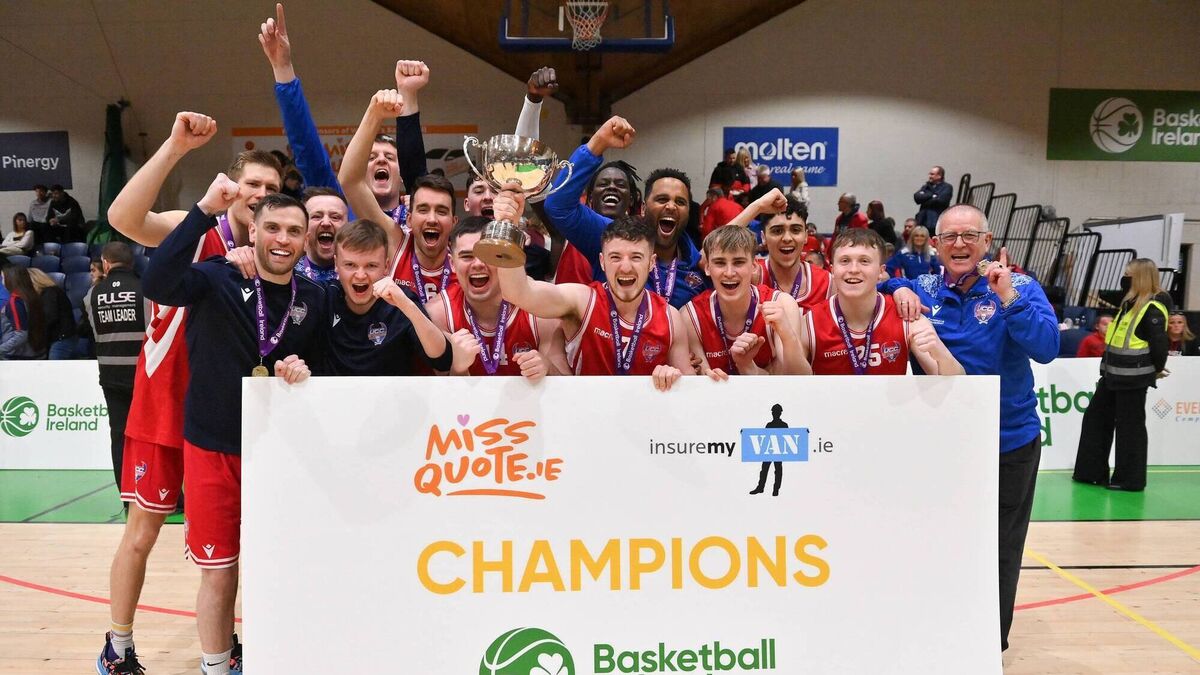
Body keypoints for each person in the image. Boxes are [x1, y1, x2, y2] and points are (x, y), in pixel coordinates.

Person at [99, 112, 280, 674]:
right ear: (233, 188)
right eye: (253, 184)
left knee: (228, 541)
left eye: (272, 188)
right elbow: (121, 218)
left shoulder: (277, 250)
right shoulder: (196, 229)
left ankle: (223, 645)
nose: (261, 194)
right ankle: (118, 644)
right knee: (142, 531)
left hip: (222, 412)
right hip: (165, 401)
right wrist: (175, 147)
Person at [143, 184, 324, 675]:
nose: (282, 239)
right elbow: (156, 282)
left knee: (279, 569)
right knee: (219, 573)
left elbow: (325, 370)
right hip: (213, 448)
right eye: (272, 228)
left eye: (293, 231)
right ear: (253, 231)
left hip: (279, 456)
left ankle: (279, 660)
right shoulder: (214, 277)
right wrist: (204, 211)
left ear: (306, 239)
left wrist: (303, 370)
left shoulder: (314, 297)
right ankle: (215, 666)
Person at [886, 203, 1059, 652]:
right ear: (936, 244)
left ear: (987, 241)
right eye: (950, 237)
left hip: (1008, 443)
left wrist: (1007, 298)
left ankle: (986, 647)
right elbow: (877, 279)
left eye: (969, 236)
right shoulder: (922, 286)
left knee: (1001, 547)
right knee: (938, 541)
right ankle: (939, 634)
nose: (959, 244)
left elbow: (1047, 348)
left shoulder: (1020, 287)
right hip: (940, 445)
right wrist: (896, 286)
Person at [496, 190, 690, 389]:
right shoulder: (582, 302)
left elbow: (692, 390)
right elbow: (517, 292)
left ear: (651, 263)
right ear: (602, 262)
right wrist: (507, 225)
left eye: (636, 257)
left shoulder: (670, 318)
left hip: (643, 410)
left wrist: (675, 377)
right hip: (583, 409)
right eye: (615, 257)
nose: (625, 267)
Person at [259, 4, 428, 227]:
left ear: (402, 173)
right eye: (370, 158)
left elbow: (417, 171)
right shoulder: (337, 210)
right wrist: (283, 68)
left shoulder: (421, 217)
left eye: (389, 157)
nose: (380, 160)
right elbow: (307, 150)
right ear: (358, 171)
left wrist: (408, 94)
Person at [545, 115, 705, 308]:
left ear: (688, 212)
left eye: (680, 202)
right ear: (643, 208)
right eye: (662, 199)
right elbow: (558, 206)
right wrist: (598, 143)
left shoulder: (700, 267)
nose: (671, 206)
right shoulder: (613, 237)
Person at [339, 90, 459, 304]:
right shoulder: (396, 243)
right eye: (423, 210)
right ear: (409, 219)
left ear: (454, 222)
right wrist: (374, 114)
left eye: (441, 211)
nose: (432, 219)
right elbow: (350, 181)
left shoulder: (466, 261)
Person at [1073, 258, 1171, 493]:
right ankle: (1091, 472)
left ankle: (1130, 479)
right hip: (1112, 375)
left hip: (1134, 378)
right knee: (1095, 419)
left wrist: (1157, 368)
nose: (1124, 279)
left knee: (1130, 429)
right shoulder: (1129, 304)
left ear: (1140, 277)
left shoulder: (1152, 308)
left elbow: (1159, 344)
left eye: (1128, 275)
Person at [806, 228, 962, 376]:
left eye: (864, 261)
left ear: (881, 271)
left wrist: (941, 353)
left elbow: (958, 383)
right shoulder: (811, 321)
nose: (853, 269)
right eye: (845, 261)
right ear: (832, 270)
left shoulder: (906, 316)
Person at [428, 216, 564, 378]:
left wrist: (548, 369)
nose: (478, 264)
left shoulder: (540, 309)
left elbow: (571, 388)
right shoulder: (439, 314)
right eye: (467, 256)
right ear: (452, 264)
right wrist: (458, 370)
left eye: (486, 255)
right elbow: (432, 392)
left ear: (501, 257)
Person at [322, 218, 453, 376]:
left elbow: (442, 360)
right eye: (350, 265)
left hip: (393, 392)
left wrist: (407, 306)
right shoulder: (325, 297)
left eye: (371, 266)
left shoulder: (401, 300)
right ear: (336, 264)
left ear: (386, 266)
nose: (361, 275)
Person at [685, 225, 807, 379]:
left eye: (738, 262)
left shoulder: (781, 304)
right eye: (720, 263)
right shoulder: (691, 315)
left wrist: (787, 336)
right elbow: (701, 383)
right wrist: (711, 380)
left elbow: (799, 380)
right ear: (707, 268)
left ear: (754, 266)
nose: (729, 273)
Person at [85, 243, 147, 490]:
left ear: (106, 263)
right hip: (143, 375)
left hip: (110, 374)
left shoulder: (92, 295)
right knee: (150, 434)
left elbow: (94, 332)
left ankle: (126, 491)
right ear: (132, 262)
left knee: (119, 433)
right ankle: (156, 492)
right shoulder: (146, 289)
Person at [729, 189, 831, 312]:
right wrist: (757, 206)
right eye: (777, 231)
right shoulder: (750, 274)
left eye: (795, 230)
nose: (787, 238)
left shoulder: (827, 282)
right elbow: (713, 252)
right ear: (763, 237)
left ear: (805, 236)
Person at [293, 187, 348, 283]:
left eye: (335, 217)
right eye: (316, 216)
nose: (326, 223)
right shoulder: (288, 275)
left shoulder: (362, 275)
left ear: (348, 226)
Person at [27, 267, 77, 359]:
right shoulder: (50, 292)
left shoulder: (50, 292)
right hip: (58, 338)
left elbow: (49, 316)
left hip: (61, 339)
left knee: (55, 367)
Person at [0, 265, 47, 359]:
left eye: (3, 278)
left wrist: (1, 349)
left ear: (11, 280)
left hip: (18, 356)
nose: (2, 281)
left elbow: (21, 334)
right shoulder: (33, 297)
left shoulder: (15, 302)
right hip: (37, 352)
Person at [913, 165, 952, 229]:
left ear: (939, 176)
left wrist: (924, 198)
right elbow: (917, 197)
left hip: (935, 222)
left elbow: (940, 201)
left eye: (932, 174)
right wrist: (932, 195)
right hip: (922, 221)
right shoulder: (926, 187)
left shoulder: (946, 187)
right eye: (930, 174)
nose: (930, 176)